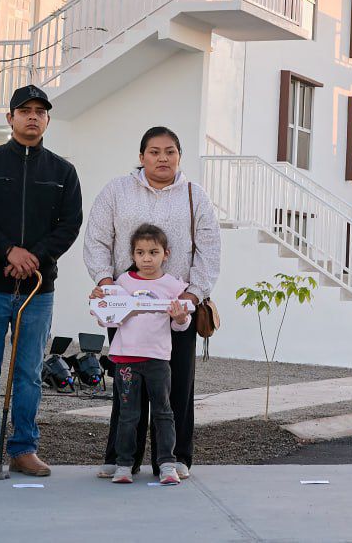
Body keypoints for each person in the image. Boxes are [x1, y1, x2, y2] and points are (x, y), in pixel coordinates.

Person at [0, 85, 82, 479]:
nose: (32, 117)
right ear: (9, 118)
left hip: (37, 290)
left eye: (40, 111)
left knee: (29, 373)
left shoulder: (63, 172)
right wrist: (8, 251)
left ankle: (24, 448)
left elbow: (69, 225)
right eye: (24, 110)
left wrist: (34, 258)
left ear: (48, 119)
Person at [84, 126, 221, 480]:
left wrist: (192, 295)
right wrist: (106, 285)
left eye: (170, 151)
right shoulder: (117, 190)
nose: (163, 158)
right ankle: (121, 459)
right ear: (141, 156)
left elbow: (209, 249)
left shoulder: (195, 195)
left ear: (179, 156)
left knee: (177, 388)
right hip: (126, 310)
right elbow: (97, 238)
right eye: (155, 152)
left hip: (176, 309)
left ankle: (174, 459)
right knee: (127, 388)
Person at [95, 223, 193, 485]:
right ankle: (124, 465)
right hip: (126, 361)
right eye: (140, 253)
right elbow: (109, 319)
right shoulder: (122, 283)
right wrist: (100, 307)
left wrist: (180, 318)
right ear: (132, 255)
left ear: (166, 254)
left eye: (153, 252)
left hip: (158, 360)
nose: (146, 258)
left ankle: (167, 464)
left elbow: (181, 324)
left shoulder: (173, 286)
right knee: (128, 415)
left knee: (163, 413)